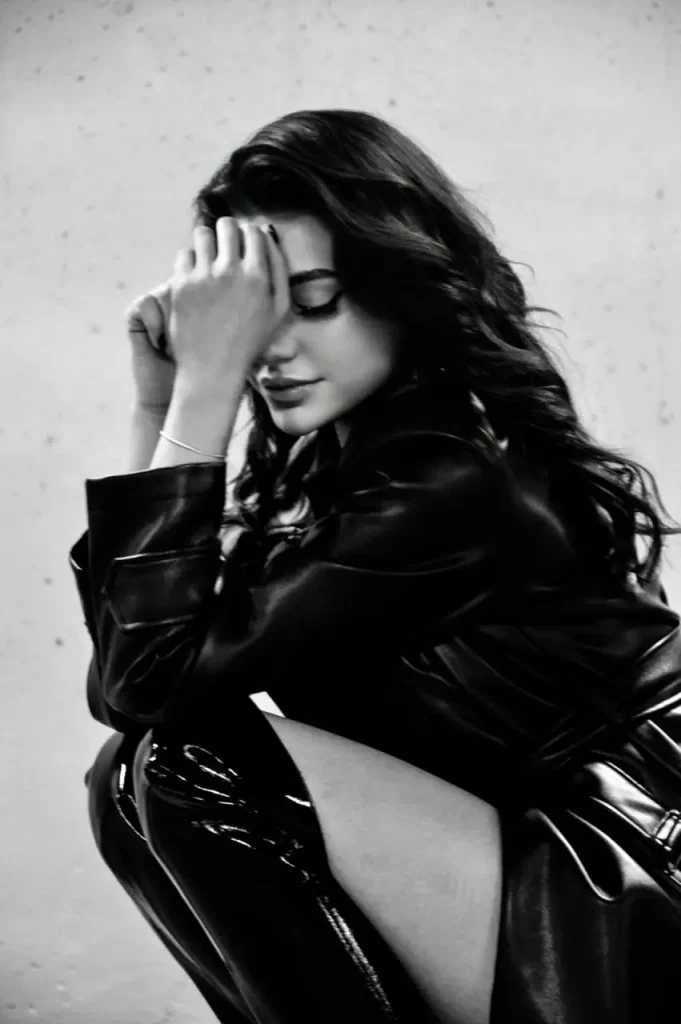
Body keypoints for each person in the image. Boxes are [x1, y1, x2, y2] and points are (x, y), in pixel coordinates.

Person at [69, 108, 681, 1024]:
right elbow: (135, 682)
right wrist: (159, 405)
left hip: (633, 851)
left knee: (185, 765)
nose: (269, 349)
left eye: (312, 300)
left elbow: (146, 683)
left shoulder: (450, 476)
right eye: (251, 315)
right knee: (126, 781)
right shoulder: (344, 463)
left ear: (401, 290)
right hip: (526, 832)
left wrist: (203, 390)